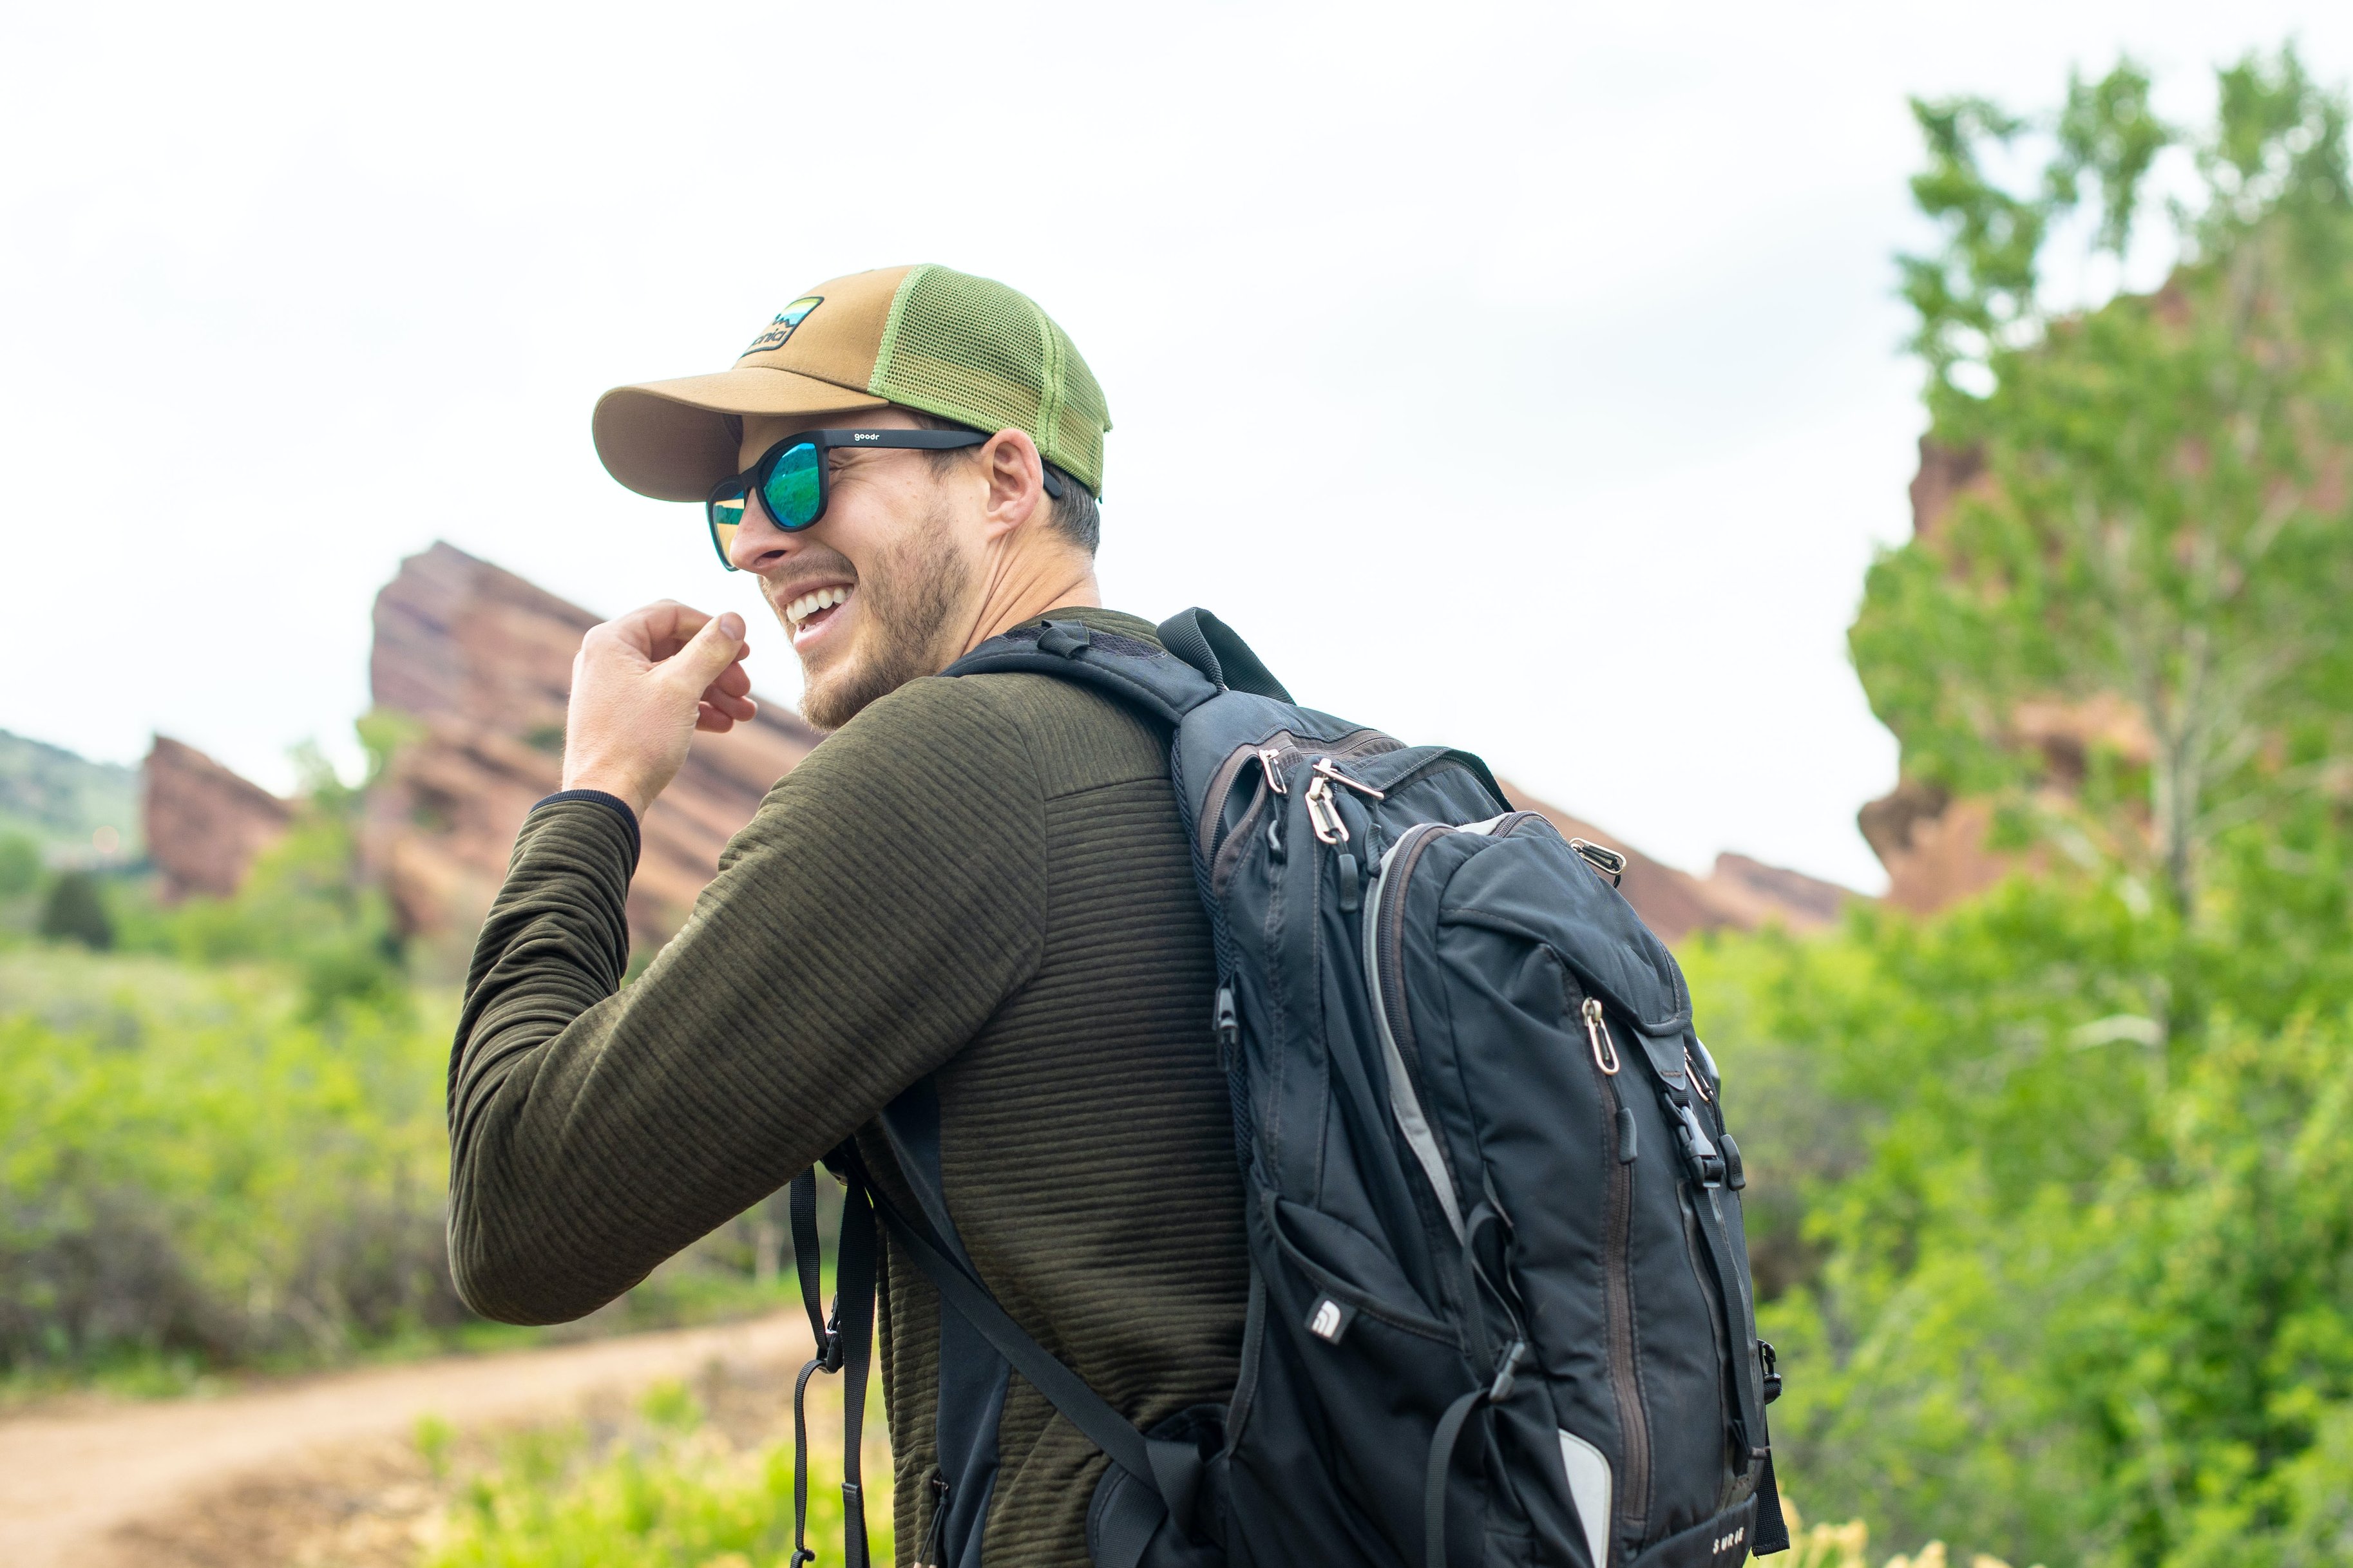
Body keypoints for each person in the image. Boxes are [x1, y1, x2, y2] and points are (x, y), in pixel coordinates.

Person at [446, 265, 1248, 1567]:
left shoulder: (954, 769)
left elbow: (517, 1217)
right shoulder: (1227, 747)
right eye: (735, 505)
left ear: (1003, 480)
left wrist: (597, 792)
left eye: (803, 474)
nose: (757, 540)